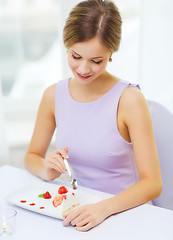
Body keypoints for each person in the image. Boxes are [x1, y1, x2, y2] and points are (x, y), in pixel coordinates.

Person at [25, 0, 162, 232]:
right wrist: (46, 169)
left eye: (96, 61)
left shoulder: (129, 100)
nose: (83, 69)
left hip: (125, 213)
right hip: (80, 211)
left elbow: (153, 184)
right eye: (76, 56)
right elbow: (32, 156)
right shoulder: (53, 95)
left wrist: (104, 208)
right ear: (66, 47)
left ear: (111, 54)